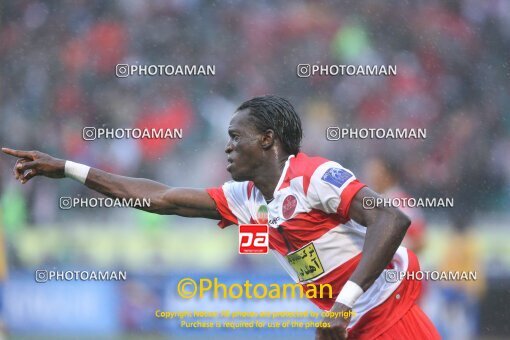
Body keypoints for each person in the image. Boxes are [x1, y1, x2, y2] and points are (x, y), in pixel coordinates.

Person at [2, 95, 439, 339]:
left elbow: (392, 220)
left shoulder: (314, 176)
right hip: (350, 328)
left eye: (236, 137)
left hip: (391, 315)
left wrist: (340, 307)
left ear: (268, 140)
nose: (227, 147)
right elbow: (161, 197)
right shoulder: (245, 198)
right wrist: (67, 169)